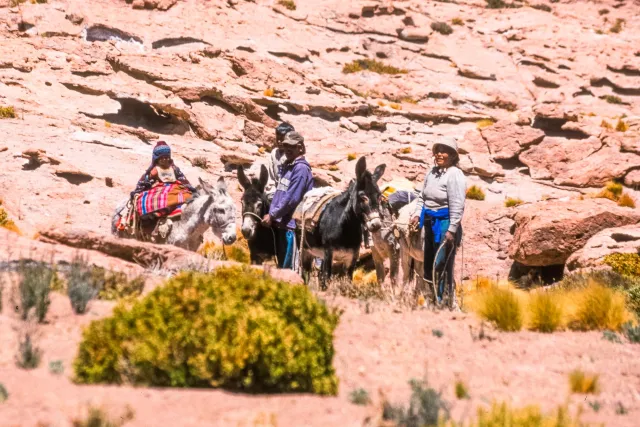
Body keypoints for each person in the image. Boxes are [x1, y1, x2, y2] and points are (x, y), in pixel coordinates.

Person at [410, 138, 466, 308]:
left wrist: (452, 229)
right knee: (428, 263)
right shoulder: (432, 173)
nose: (440, 154)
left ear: (452, 155)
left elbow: (458, 203)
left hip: (445, 224)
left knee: (441, 264)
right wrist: (416, 215)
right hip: (429, 222)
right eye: (438, 150)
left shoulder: (455, 174)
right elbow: (422, 197)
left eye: (444, 151)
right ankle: (431, 300)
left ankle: (444, 303)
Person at [262, 131, 313, 269]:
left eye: (292, 146)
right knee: (281, 267)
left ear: (300, 148)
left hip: (291, 226)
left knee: (289, 268)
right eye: (285, 145)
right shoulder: (288, 165)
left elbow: (292, 198)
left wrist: (272, 215)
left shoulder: (301, 169)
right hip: (281, 223)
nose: (287, 149)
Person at [129, 141, 196, 236]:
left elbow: (182, 179)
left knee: (188, 196)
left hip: (176, 187)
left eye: (167, 157)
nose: (165, 159)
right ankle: (155, 214)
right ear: (157, 158)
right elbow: (144, 181)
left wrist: (190, 188)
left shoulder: (174, 168)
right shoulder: (155, 170)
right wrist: (138, 191)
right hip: (162, 188)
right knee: (160, 198)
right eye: (162, 157)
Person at [264, 122, 296, 201]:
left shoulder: (293, 156)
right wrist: (272, 192)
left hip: (289, 194)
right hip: (274, 192)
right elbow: (270, 176)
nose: (279, 142)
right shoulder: (274, 153)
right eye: (277, 139)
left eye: (282, 139)